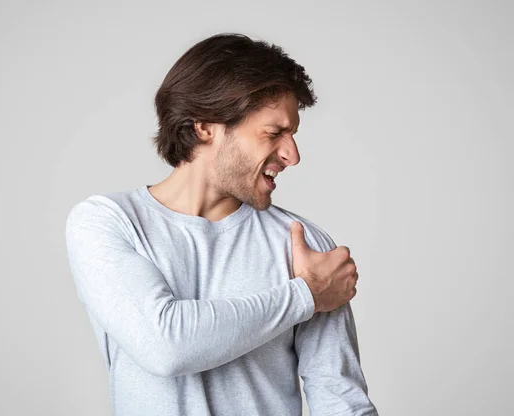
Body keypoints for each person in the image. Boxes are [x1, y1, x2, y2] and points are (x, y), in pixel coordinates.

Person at [65, 32, 378, 416]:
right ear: (205, 127)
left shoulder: (303, 244)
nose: (292, 155)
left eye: (293, 134)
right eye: (274, 133)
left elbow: (339, 398)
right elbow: (165, 345)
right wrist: (305, 296)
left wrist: (310, 290)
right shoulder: (108, 222)